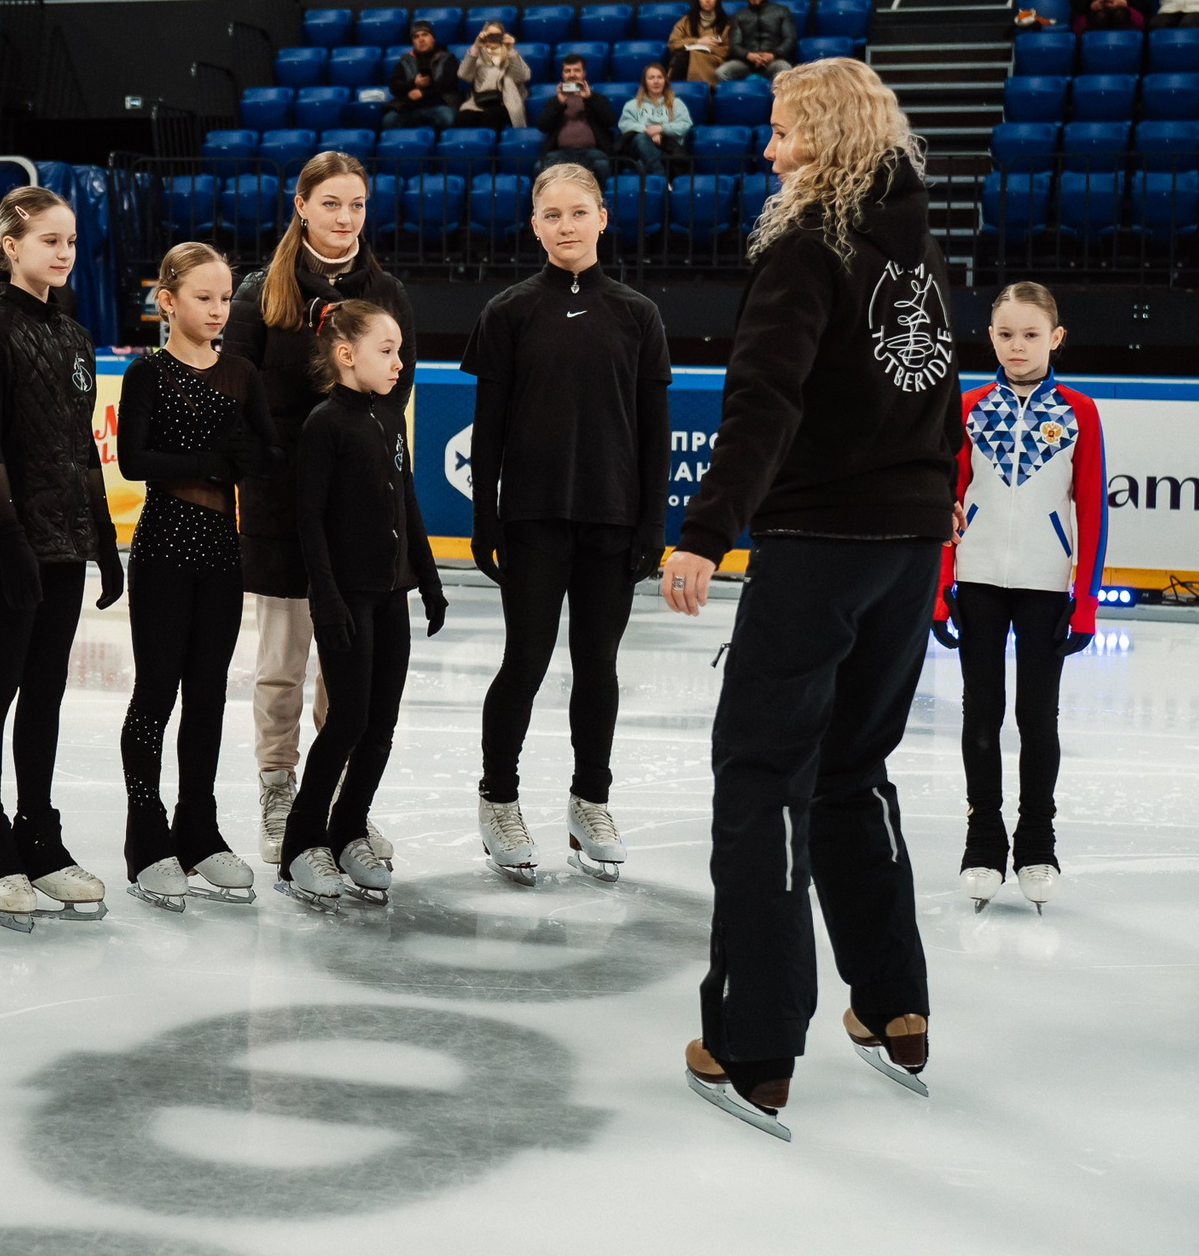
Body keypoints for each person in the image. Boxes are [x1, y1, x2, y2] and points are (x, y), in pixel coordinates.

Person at [659, 56, 961, 1140]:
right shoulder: (917, 244)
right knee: (851, 770)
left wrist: (703, 531)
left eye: (785, 130)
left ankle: (752, 1043)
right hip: (907, 547)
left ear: (828, 138)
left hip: (822, 542)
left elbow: (763, 401)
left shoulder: (805, 248)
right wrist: (941, 504)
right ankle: (895, 1005)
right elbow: (942, 381)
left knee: (761, 776)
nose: (769, 148)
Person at [465, 163, 670, 886]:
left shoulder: (638, 315)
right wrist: (483, 515)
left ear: (602, 218)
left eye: (578, 212)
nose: (566, 226)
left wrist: (653, 520)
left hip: (612, 519)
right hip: (532, 517)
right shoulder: (509, 311)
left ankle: (591, 801)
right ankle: (498, 797)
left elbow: (654, 429)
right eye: (551, 215)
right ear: (535, 225)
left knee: (598, 665)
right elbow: (486, 427)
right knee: (525, 658)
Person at [226, 152, 414, 868]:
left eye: (357, 205)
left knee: (351, 672)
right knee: (282, 665)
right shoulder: (259, 293)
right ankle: (280, 790)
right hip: (281, 510)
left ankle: (342, 805)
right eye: (331, 203)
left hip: (359, 517)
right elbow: (237, 399)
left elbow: (395, 400)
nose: (345, 218)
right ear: (301, 205)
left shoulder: (386, 289)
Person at [0, 185, 122, 927]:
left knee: (47, 686)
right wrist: (11, 536)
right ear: (11, 245)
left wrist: (106, 537)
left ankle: (39, 834)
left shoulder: (77, 336)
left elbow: (82, 445)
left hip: (65, 537)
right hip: (7, 535)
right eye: (49, 240)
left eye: (71, 241)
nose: (62, 252)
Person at [115, 242, 278, 911]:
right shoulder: (148, 372)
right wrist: (215, 460)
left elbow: (265, 455)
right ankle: (146, 834)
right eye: (204, 297)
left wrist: (241, 457)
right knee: (157, 691)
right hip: (162, 548)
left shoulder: (242, 372)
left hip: (220, 553)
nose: (217, 309)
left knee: (208, 694)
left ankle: (198, 828)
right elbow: (132, 459)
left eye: (225, 298)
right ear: (169, 301)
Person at [933, 281, 1103, 917]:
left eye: (1031, 334)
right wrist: (939, 588)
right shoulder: (969, 405)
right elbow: (947, 502)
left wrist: (1084, 600)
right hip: (976, 581)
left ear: (1055, 338)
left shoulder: (1081, 412)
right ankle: (983, 839)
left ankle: (1037, 842)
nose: (1017, 346)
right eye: (1006, 334)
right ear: (991, 338)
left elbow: (1091, 509)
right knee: (981, 714)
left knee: (1037, 717)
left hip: (1045, 585)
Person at [274, 298, 446, 908]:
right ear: (346, 356)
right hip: (347, 599)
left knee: (380, 726)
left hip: (391, 593)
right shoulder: (325, 424)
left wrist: (428, 579)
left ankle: (348, 829)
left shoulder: (389, 418)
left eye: (399, 350)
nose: (400, 362)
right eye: (387, 350)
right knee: (347, 720)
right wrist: (326, 600)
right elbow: (311, 522)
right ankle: (300, 843)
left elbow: (408, 504)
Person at [535, 55, 615, 175]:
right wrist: (559, 103)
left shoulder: (596, 97)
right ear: (563, 74)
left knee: (601, 165)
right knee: (539, 167)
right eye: (567, 71)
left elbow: (609, 121)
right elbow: (543, 126)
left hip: (591, 152)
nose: (572, 74)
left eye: (576, 70)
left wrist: (589, 99)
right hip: (561, 153)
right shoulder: (555, 101)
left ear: (584, 73)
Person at [618, 62, 693, 175]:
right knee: (641, 138)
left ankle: (649, 172)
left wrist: (661, 128)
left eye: (659, 77)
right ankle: (661, 178)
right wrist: (649, 131)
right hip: (638, 148)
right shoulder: (632, 105)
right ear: (645, 82)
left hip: (667, 150)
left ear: (665, 81)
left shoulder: (676, 104)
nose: (656, 81)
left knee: (642, 165)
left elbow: (685, 125)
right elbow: (625, 125)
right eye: (651, 78)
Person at [719, 0, 796, 80]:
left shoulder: (781, 11)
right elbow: (734, 44)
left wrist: (773, 55)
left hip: (773, 60)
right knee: (721, 72)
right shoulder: (739, 15)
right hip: (745, 62)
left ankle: (779, 97)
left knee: (785, 69)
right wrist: (748, 55)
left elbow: (790, 39)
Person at [456, 21, 530, 127]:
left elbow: (523, 76)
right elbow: (463, 74)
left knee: (491, 115)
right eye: (490, 35)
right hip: (480, 102)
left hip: (505, 102)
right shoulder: (477, 56)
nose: (493, 39)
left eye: (497, 36)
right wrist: (476, 47)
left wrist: (510, 50)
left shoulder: (511, 56)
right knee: (462, 118)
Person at [389, 20, 459, 129]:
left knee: (446, 117)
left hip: (439, 104)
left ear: (433, 38)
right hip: (411, 106)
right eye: (416, 37)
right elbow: (394, 86)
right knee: (389, 120)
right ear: (412, 42)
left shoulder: (447, 58)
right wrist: (413, 83)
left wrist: (423, 92)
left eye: (425, 35)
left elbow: (448, 83)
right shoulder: (405, 61)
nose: (421, 39)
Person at [668, 0, 731, 85]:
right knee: (685, 56)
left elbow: (727, 50)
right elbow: (673, 44)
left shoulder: (725, 23)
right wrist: (697, 41)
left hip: (711, 63)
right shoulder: (686, 21)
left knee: (690, 56)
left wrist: (706, 48)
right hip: (686, 59)